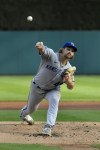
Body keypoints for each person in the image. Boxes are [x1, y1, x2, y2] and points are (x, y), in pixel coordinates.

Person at [20, 41, 77, 136]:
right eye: (68, 49)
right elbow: (44, 51)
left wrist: (68, 81)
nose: (70, 51)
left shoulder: (69, 68)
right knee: (31, 109)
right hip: (37, 87)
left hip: (53, 89)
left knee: (55, 100)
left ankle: (48, 127)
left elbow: (71, 86)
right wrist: (41, 47)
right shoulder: (52, 55)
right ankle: (24, 113)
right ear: (62, 50)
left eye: (72, 51)